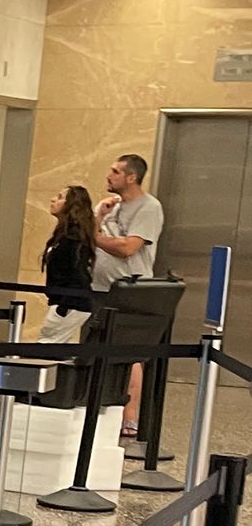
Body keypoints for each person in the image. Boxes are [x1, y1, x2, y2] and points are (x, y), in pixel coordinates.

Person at [91, 152, 165, 434]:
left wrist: (95, 237)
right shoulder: (113, 206)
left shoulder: (149, 208)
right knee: (98, 350)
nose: (109, 176)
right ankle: (101, 408)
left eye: (115, 171)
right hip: (100, 288)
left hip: (130, 290)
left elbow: (127, 248)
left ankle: (129, 417)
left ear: (131, 177)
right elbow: (97, 234)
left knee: (128, 355)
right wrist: (99, 217)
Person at [37, 184, 98, 344]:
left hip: (70, 303)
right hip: (65, 301)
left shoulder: (73, 238)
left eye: (59, 197)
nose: (53, 200)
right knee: (55, 346)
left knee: (46, 345)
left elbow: (78, 274)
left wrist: (63, 307)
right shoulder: (63, 235)